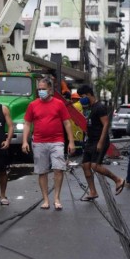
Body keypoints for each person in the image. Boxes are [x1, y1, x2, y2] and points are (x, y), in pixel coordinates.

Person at [22, 77, 75, 211]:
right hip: (39, 142)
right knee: (42, 171)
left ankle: (56, 198)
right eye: (39, 89)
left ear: (50, 90)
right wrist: (24, 141)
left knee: (58, 169)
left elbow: (67, 123)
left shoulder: (59, 104)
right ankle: (46, 199)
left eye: (43, 89)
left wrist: (71, 142)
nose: (41, 91)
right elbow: (27, 123)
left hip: (57, 141)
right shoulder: (33, 105)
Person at [77, 85, 125, 200]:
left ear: (89, 94)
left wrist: (100, 142)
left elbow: (106, 124)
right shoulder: (89, 107)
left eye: (82, 96)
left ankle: (118, 180)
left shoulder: (99, 107)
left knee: (95, 166)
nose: (81, 99)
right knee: (85, 165)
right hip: (90, 140)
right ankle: (93, 191)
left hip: (100, 140)